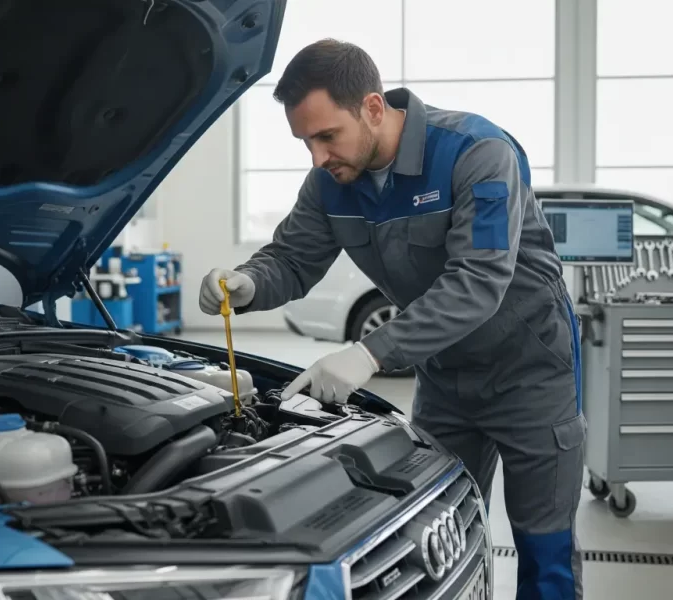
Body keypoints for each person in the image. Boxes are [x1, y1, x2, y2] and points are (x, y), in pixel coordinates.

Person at [199, 39, 585, 600]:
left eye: (327, 135)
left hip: (531, 371)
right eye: (305, 141)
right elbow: (291, 259)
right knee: (435, 532)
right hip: (446, 379)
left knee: (542, 548)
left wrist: (369, 353)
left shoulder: (477, 153)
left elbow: (479, 281)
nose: (317, 157)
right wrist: (246, 283)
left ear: (374, 108)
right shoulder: (331, 182)